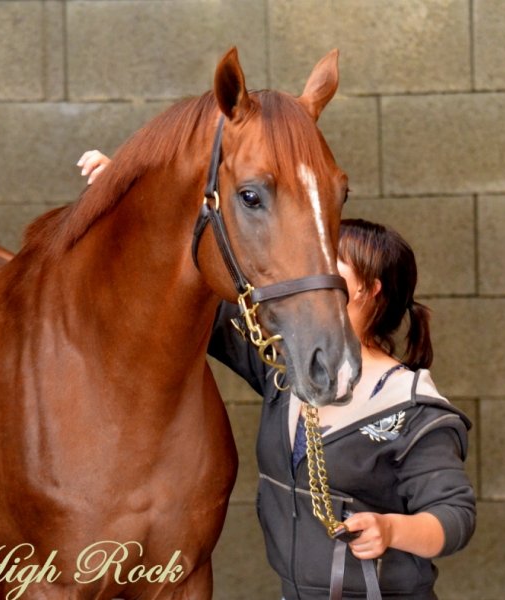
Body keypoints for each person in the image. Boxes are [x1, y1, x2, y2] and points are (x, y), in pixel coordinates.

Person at [78, 152, 476, 600]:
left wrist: (392, 529)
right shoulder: (285, 366)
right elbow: (198, 300)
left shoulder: (412, 408)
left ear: (369, 289)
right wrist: (134, 198)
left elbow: (454, 515)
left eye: (331, 265)